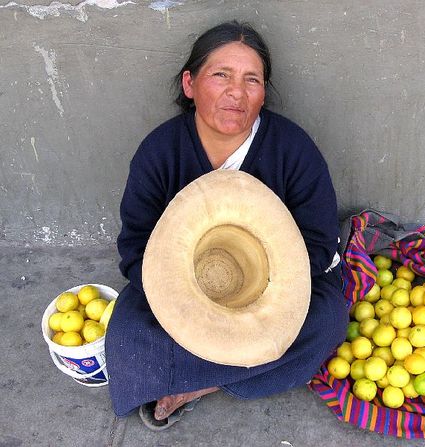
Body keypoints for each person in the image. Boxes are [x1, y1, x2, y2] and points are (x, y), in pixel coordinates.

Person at [105, 20, 349, 431]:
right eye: (221, 75)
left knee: (328, 320)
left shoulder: (292, 149)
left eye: (252, 79)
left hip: (270, 293)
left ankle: (197, 384)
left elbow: (319, 242)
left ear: (263, 92)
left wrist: (258, 299)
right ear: (189, 84)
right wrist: (180, 300)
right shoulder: (160, 151)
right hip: (182, 292)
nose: (237, 92)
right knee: (129, 333)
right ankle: (233, 370)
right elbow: (135, 244)